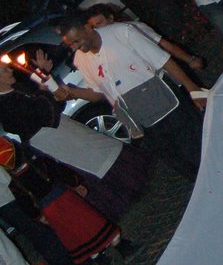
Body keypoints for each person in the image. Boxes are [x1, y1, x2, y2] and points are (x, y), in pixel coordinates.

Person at [0, 59, 149, 224]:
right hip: (55, 141)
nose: (10, 71)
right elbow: (43, 116)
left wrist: (48, 82)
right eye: (4, 71)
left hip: (65, 130)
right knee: (92, 165)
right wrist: (44, 93)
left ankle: (135, 184)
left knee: (103, 150)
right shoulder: (5, 108)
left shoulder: (20, 88)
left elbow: (54, 104)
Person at [58, 15, 204, 180]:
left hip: (164, 102)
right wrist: (71, 92)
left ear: (87, 27)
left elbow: (164, 61)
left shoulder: (121, 32)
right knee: (177, 161)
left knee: (196, 146)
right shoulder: (81, 59)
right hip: (139, 119)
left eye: (77, 40)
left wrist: (192, 88)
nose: (76, 46)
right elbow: (99, 94)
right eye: (71, 44)